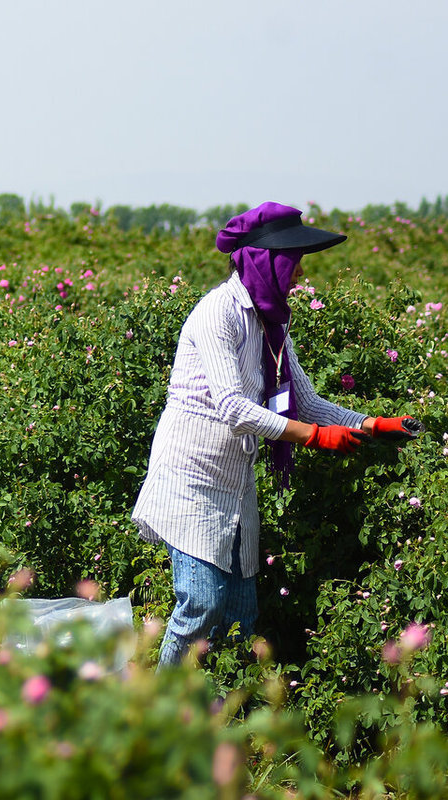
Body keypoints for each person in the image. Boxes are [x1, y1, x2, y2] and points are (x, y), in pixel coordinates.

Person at [130, 202, 419, 668]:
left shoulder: (273, 324)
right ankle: (150, 713)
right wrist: (312, 437)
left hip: (234, 483)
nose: (301, 272)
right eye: (294, 261)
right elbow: (232, 407)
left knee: (241, 617)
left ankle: (220, 720)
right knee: (201, 605)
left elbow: (303, 400)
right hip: (190, 481)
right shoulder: (217, 314)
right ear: (266, 262)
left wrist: (368, 423)